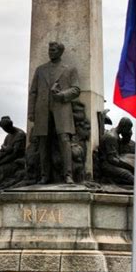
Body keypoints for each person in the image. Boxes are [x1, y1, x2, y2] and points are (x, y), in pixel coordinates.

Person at [28, 42, 80, 183]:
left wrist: (62, 95)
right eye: (49, 50)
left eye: (54, 50)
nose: (50, 52)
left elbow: (76, 89)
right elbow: (33, 92)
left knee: (64, 140)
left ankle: (68, 175)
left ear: (60, 52)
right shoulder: (40, 70)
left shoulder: (69, 69)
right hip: (42, 110)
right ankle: (45, 176)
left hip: (61, 109)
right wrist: (31, 111)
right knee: (43, 142)